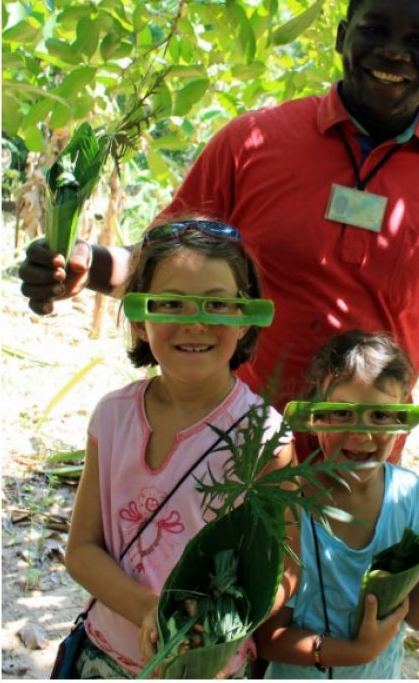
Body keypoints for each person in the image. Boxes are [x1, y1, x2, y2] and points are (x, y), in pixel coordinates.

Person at [18, 0, 419, 468]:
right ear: (341, 35)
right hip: (230, 455)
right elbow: (164, 268)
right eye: (374, 30)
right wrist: (85, 266)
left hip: (361, 469)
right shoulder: (252, 142)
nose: (394, 53)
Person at [64, 218, 292, 678]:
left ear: (246, 320)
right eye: (171, 303)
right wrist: (148, 610)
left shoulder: (266, 436)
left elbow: (285, 570)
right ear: (140, 320)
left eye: (217, 304)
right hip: (105, 656)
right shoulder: (112, 418)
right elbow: (82, 550)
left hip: (210, 668)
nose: (196, 322)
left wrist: (216, 629)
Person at [254, 330, 419, 678]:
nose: (361, 434)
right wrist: (354, 652)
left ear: (401, 421)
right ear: (314, 418)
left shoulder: (413, 498)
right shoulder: (291, 505)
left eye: (380, 416)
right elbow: (270, 639)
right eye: (343, 414)